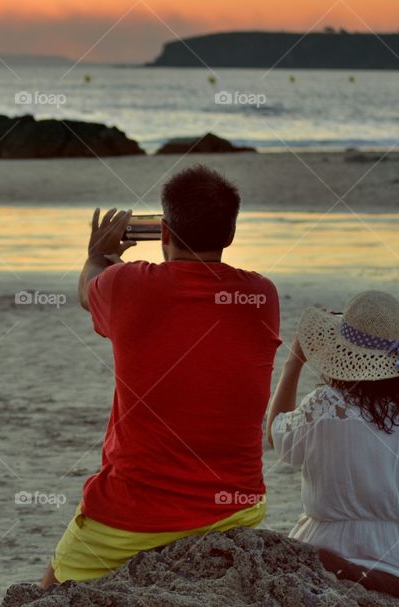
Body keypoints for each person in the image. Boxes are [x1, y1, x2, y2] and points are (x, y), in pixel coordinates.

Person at [41, 165, 281, 587]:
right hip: (234, 508)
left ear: (164, 232)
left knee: (51, 588)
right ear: (230, 234)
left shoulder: (126, 284)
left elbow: (86, 292)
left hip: (130, 514)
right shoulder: (261, 296)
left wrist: (97, 255)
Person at [266, 290, 399, 600]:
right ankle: (393, 575)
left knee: (301, 552)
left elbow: (277, 436)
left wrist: (293, 365)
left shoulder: (327, 404)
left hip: (336, 543)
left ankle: (357, 569)